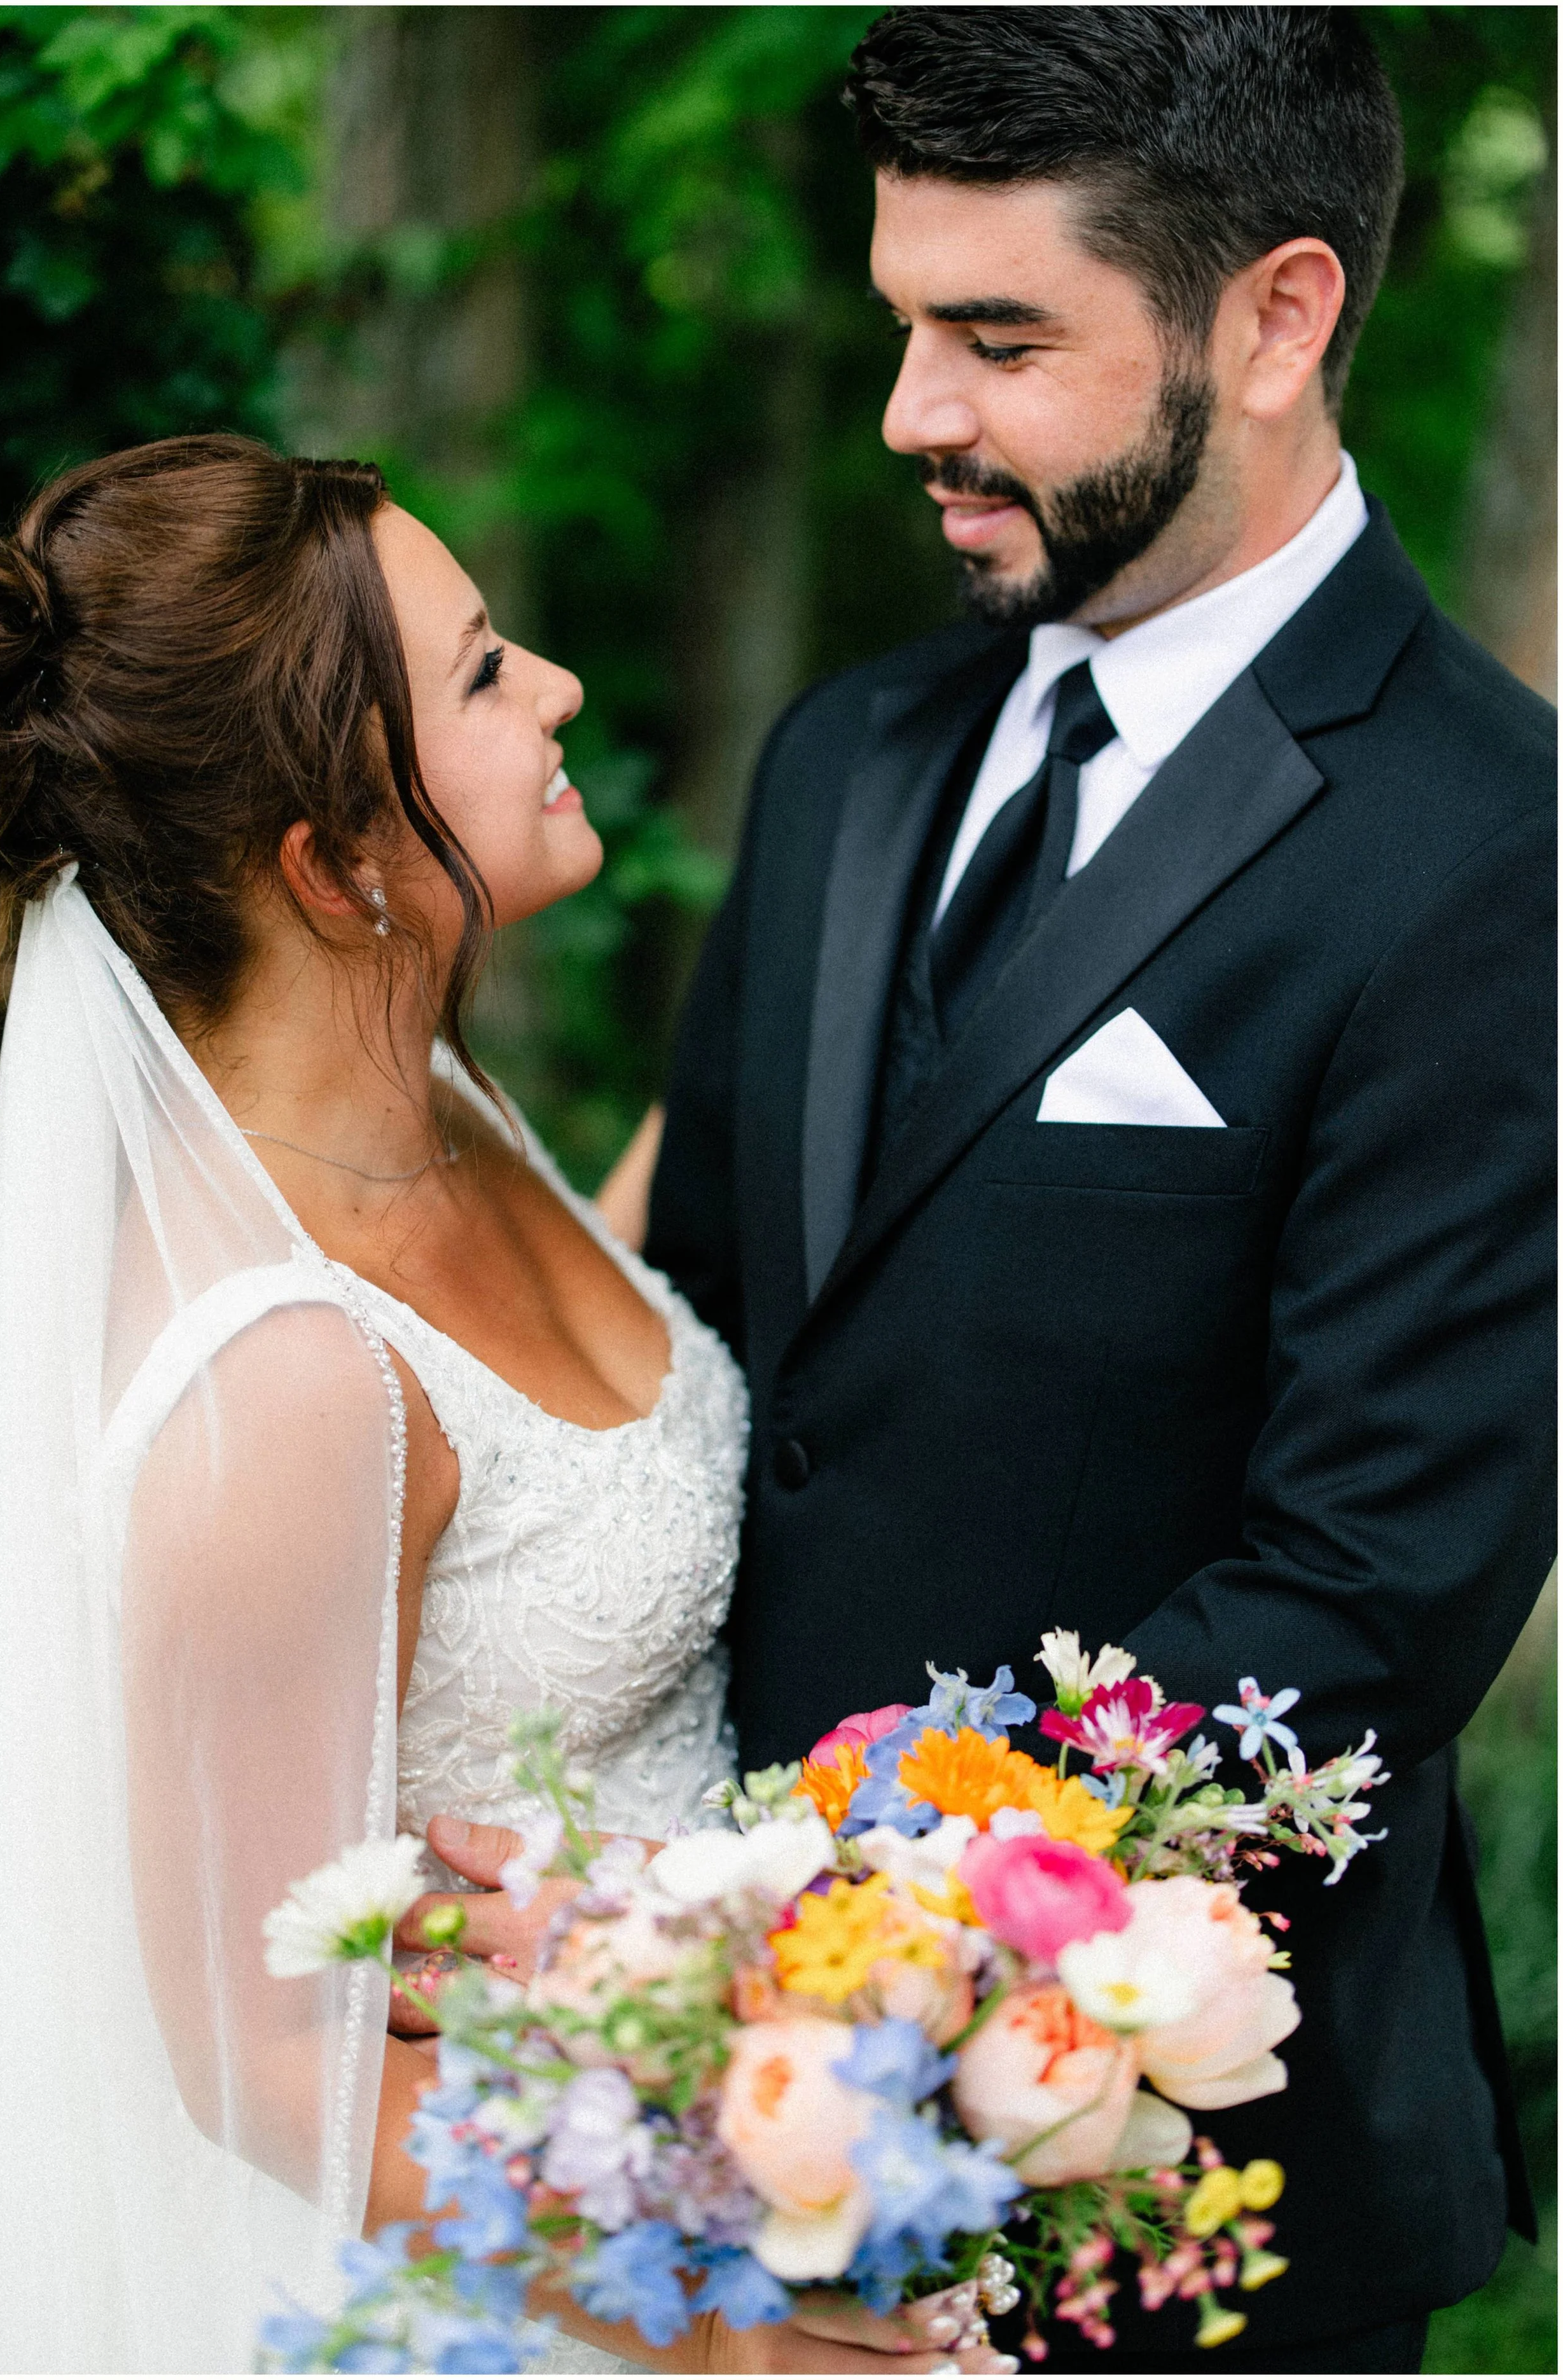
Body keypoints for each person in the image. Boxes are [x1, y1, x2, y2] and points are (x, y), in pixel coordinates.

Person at [645, 10, 1555, 2374]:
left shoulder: (1491, 847)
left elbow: (1364, 1585)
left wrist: (850, 1940)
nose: (909, 414)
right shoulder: (844, 754)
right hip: (694, 2133)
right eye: (901, 326)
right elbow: (714, 1330)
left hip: (1187, 2182)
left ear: (1277, 316)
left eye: (998, 337)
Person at [0, 438, 1010, 2378]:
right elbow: (256, 2052)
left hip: (709, 2126)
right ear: (336, 860)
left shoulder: (445, 1114)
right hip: (512, 2298)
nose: (557, 687)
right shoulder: (279, 1378)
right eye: (478, 673)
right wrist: (722, 2320)